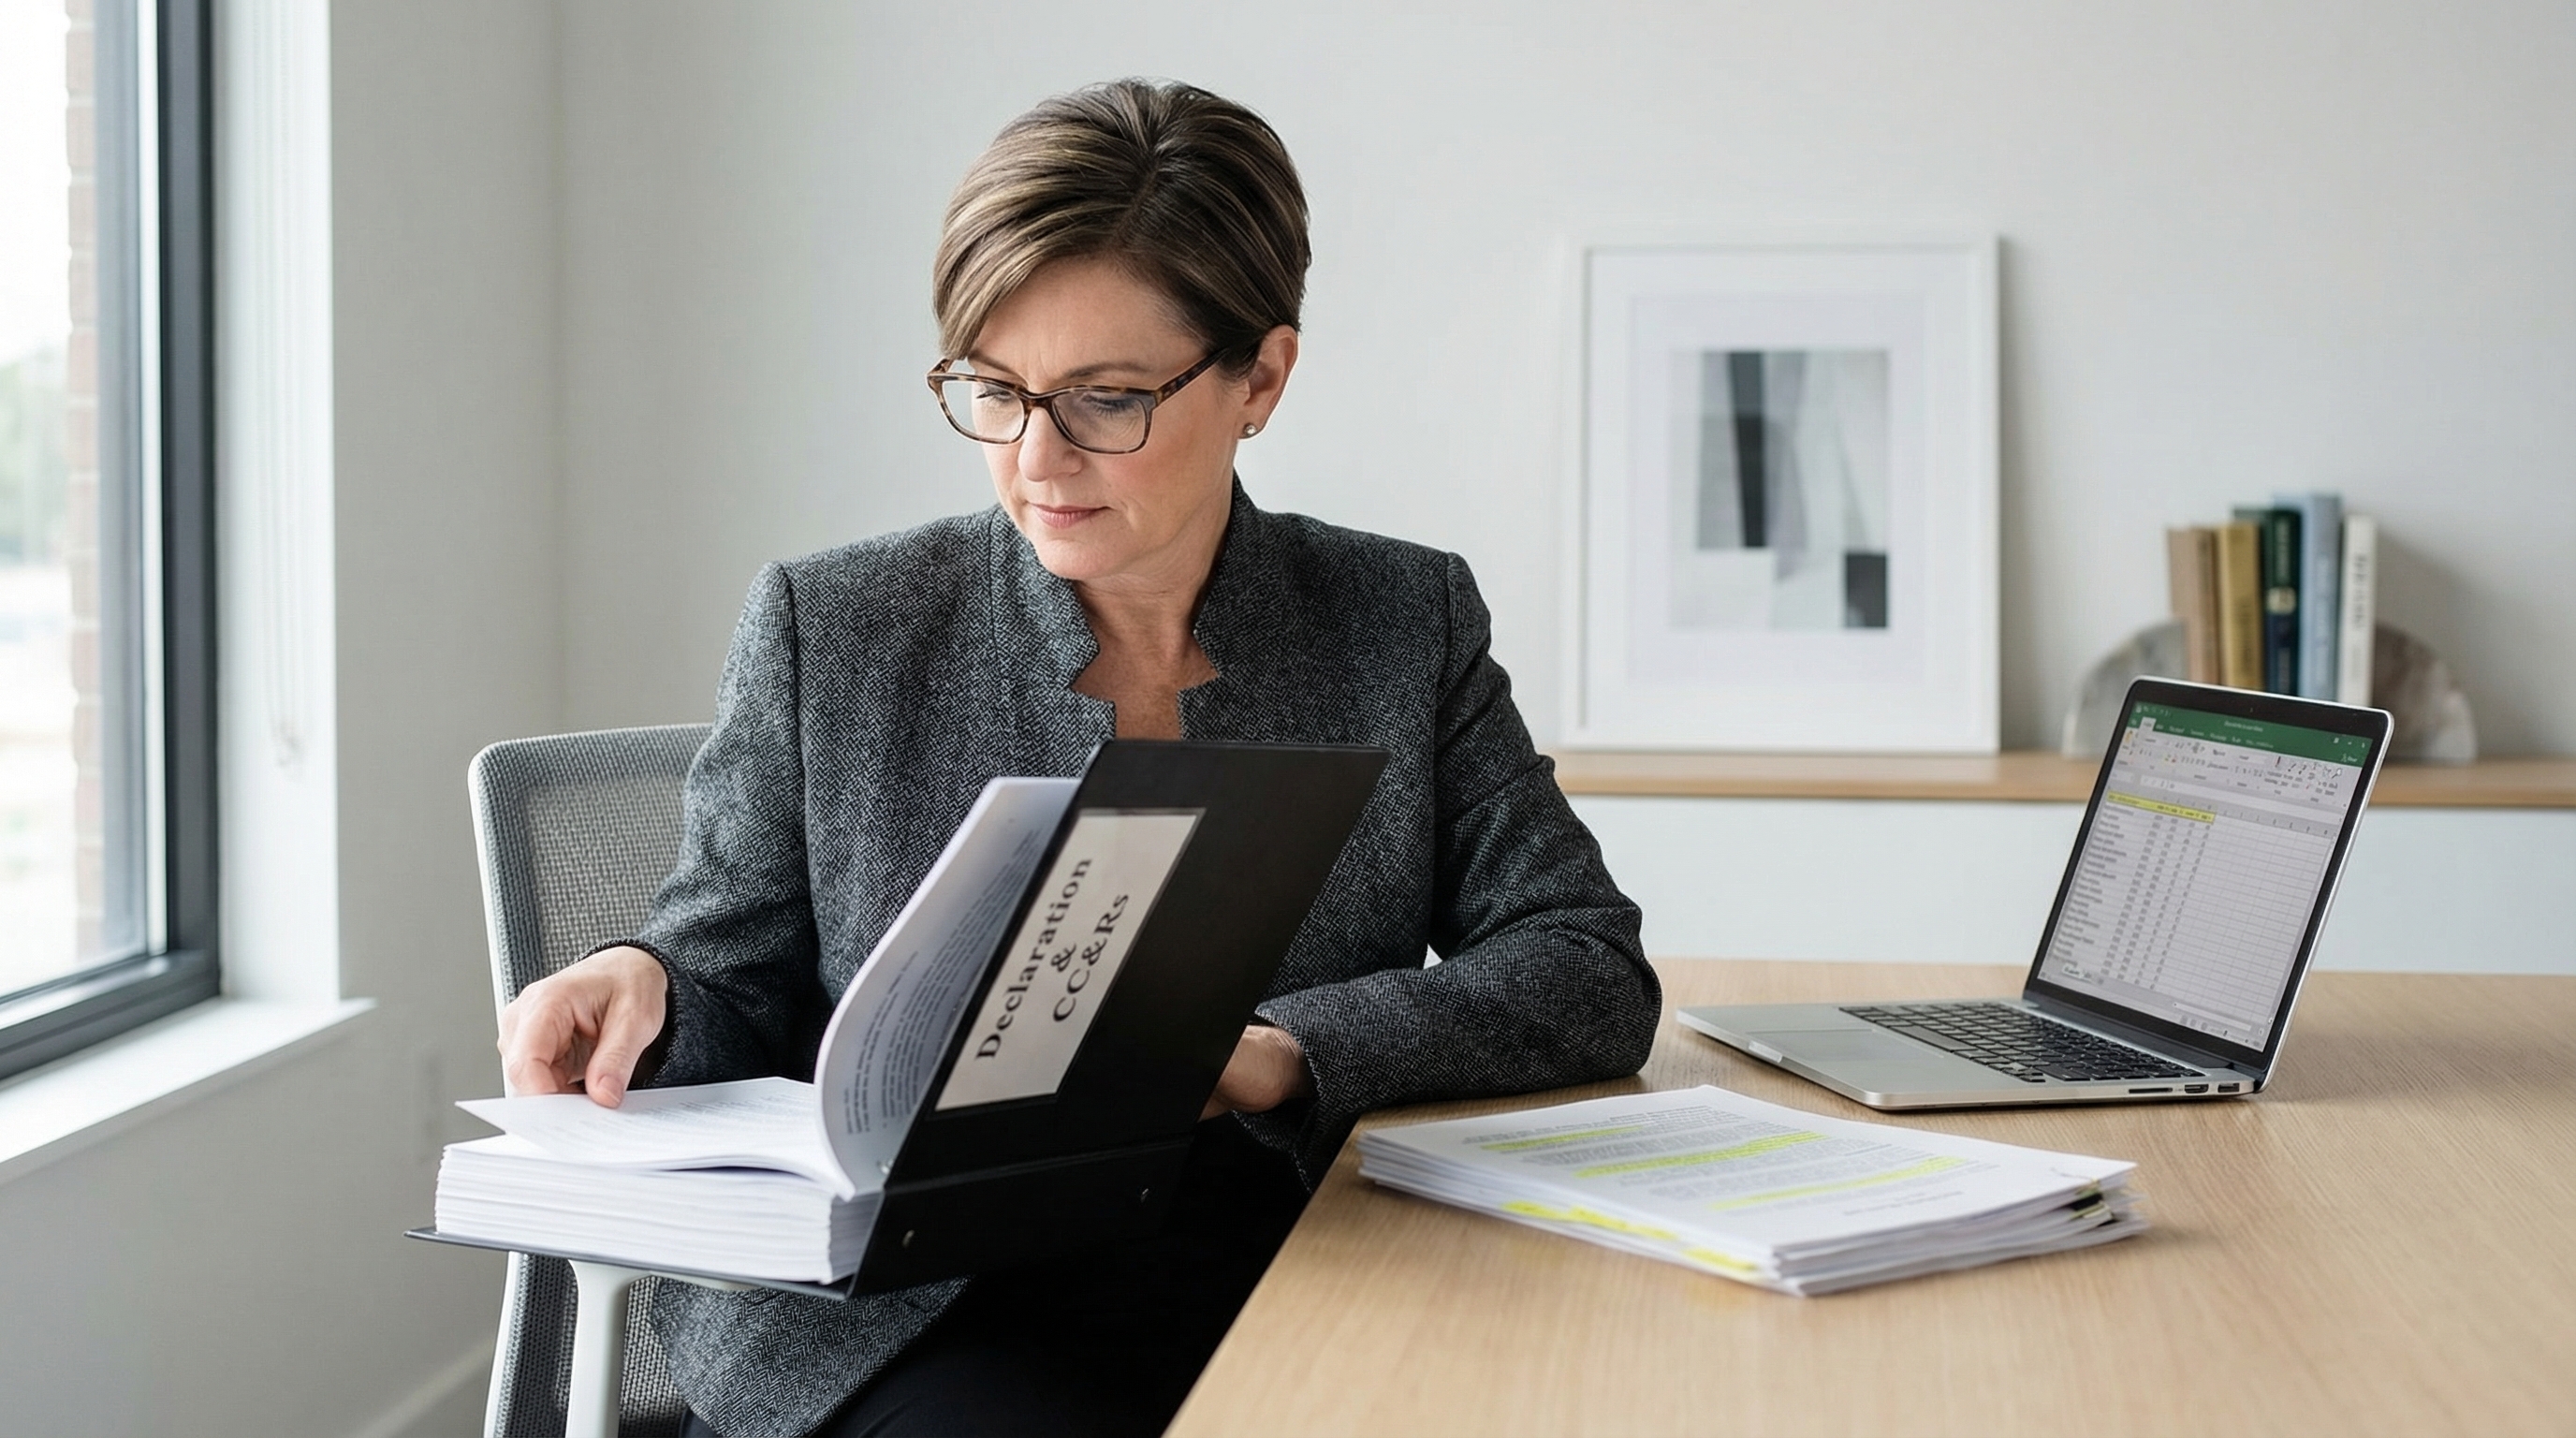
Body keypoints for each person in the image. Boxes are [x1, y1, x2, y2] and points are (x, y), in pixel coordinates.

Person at [495, 78, 1659, 1438]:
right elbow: (726, 984)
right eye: (995, 391)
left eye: (1107, 400)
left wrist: (1281, 1053)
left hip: (1294, 1255)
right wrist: (644, 984)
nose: (1036, 460)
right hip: (915, 1308)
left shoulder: (1401, 619)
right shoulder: (837, 626)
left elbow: (1584, 966)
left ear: (1261, 379)